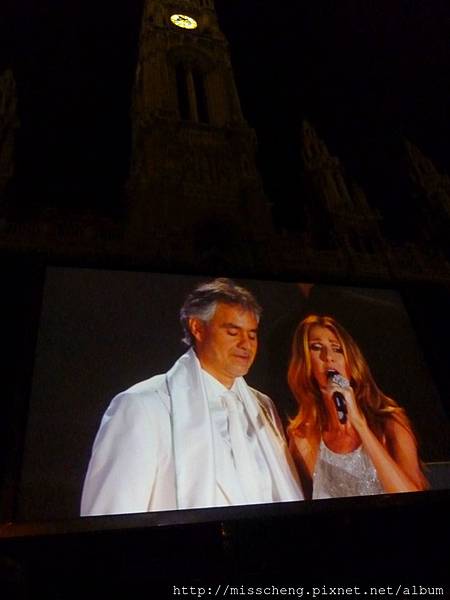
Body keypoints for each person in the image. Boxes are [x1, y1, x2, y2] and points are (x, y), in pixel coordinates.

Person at [80, 278, 303, 516]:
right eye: (232, 331)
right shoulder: (143, 406)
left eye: (252, 335)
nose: (245, 344)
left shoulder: (262, 407)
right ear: (197, 328)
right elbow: (110, 516)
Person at [287, 314, 428, 500]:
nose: (328, 357)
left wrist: (360, 424)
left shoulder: (390, 423)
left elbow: (413, 498)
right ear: (305, 363)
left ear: (349, 361)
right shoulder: (302, 437)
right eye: (316, 347)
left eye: (337, 349)